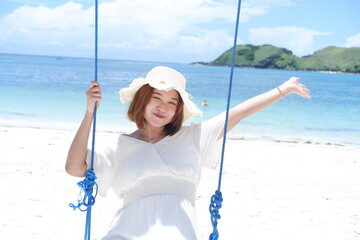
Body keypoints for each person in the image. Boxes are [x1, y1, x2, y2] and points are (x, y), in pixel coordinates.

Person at [65, 66, 311, 240]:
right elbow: (74, 167)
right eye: (156, 98)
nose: (163, 107)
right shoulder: (118, 146)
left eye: (172, 102)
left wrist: (283, 89)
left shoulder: (193, 136)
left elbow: (238, 112)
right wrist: (89, 114)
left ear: (178, 110)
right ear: (141, 100)